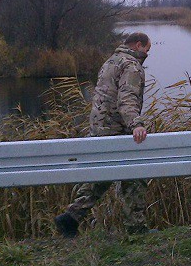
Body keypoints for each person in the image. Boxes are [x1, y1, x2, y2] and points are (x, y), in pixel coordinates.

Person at [54, 32, 152, 237]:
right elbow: (127, 98)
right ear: (139, 45)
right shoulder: (131, 65)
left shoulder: (110, 61)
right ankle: (137, 229)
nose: (147, 54)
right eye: (147, 49)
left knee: (101, 176)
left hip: (100, 129)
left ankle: (71, 217)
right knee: (135, 177)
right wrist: (136, 124)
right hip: (118, 130)